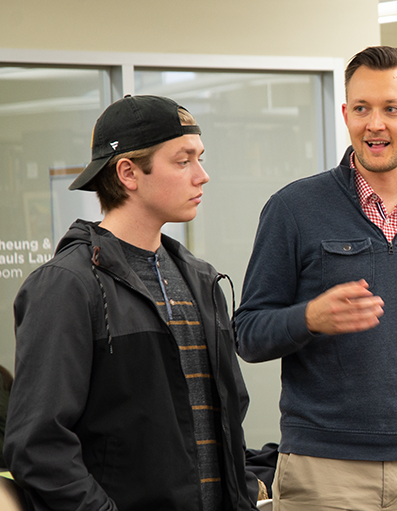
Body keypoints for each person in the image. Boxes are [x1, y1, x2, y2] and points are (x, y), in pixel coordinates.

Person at [234, 46, 397, 511]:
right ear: (345, 114)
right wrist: (309, 317)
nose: (375, 124)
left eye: (392, 109)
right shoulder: (294, 209)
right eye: (362, 109)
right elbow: (247, 333)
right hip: (324, 467)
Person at [3, 95, 259, 510]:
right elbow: (38, 446)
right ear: (128, 173)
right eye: (183, 161)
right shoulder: (67, 286)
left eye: (200, 158)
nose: (202, 175)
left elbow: (226, 422)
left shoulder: (202, 279)